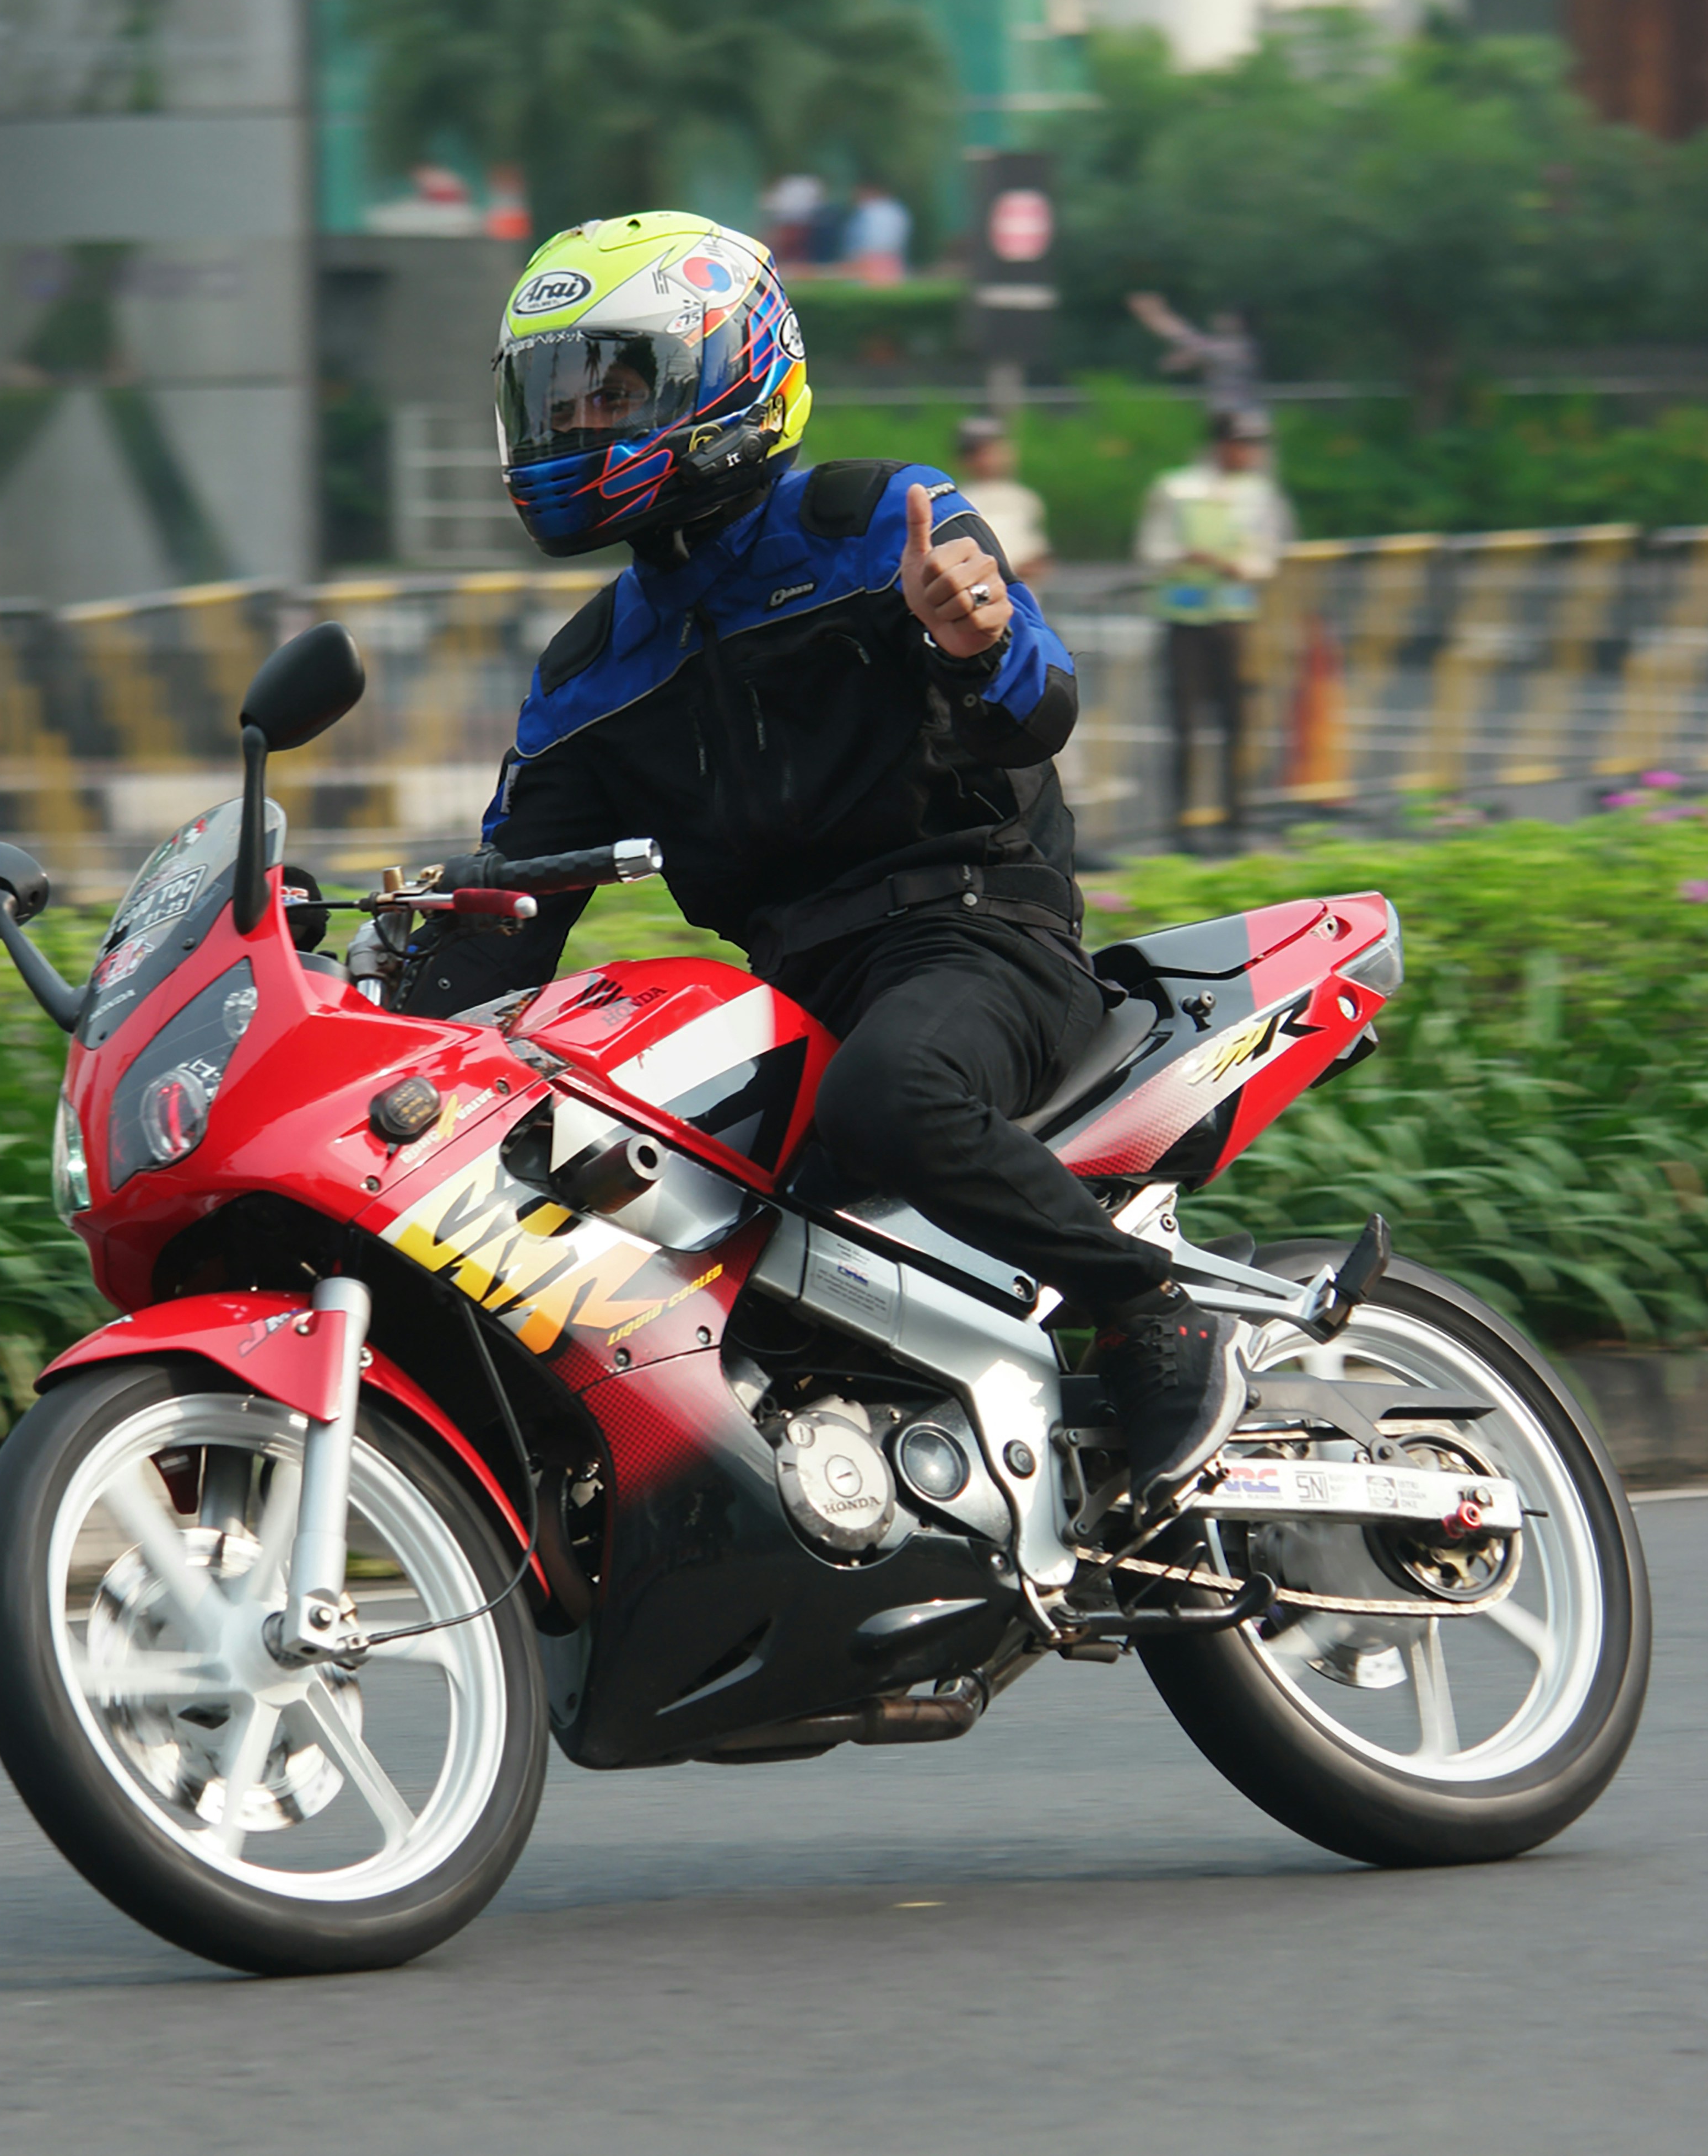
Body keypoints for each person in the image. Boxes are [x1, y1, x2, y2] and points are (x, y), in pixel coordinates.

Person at [393, 208, 1248, 1507]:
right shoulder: (586, 668)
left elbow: (1040, 706)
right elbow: (512, 911)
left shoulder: (874, 523)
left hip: (978, 937)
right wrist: (366, 1006)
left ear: (727, 369)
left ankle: (1151, 1310)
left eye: (611, 386)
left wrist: (973, 636)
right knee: (624, 1212)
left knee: (888, 1097)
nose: (576, 423)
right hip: (788, 993)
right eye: (556, 397)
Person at [1135, 408, 1290, 853]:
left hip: (1234, 620)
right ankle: (1182, 823)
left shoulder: (1260, 494)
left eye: (1255, 444)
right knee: (1185, 724)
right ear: (1220, 445)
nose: (1251, 453)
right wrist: (1187, 556)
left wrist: (1238, 566)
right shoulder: (1177, 489)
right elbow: (1152, 547)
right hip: (1184, 620)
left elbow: (1267, 554)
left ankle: (1235, 817)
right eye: (1243, 443)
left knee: (1238, 721)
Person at [1126, 293, 1261, 419]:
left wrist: (1157, 314)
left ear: (1238, 322)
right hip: (1230, 415)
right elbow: (1175, 363)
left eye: (1224, 316)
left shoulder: (1238, 347)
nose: (1217, 319)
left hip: (1239, 416)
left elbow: (1186, 339)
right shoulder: (1235, 346)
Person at [953, 413, 1052, 587]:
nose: (989, 459)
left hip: (1024, 595)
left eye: (994, 450)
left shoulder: (1024, 499)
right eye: (980, 453)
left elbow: (1037, 553)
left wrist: (1030, 568)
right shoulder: (958, 501)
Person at [841, 181, 911, 283]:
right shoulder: (897, 210)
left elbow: (863, 238)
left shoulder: (870, 211)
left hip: (871, 256)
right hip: (891, 256)